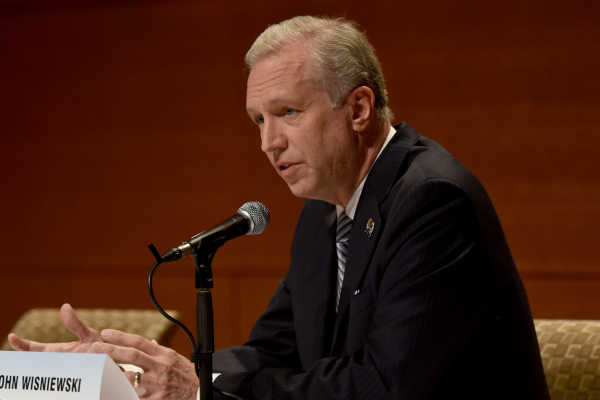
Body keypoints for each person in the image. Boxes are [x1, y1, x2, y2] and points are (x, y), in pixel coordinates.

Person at [8, 15, 550, 400]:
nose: (269, 143)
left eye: (287, 112)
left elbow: (385, 387)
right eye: (259, 121)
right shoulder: (324, 212)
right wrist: (142, 370)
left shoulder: (432, 202)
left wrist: (197, 389)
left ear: (359, 108)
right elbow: (273, 350)